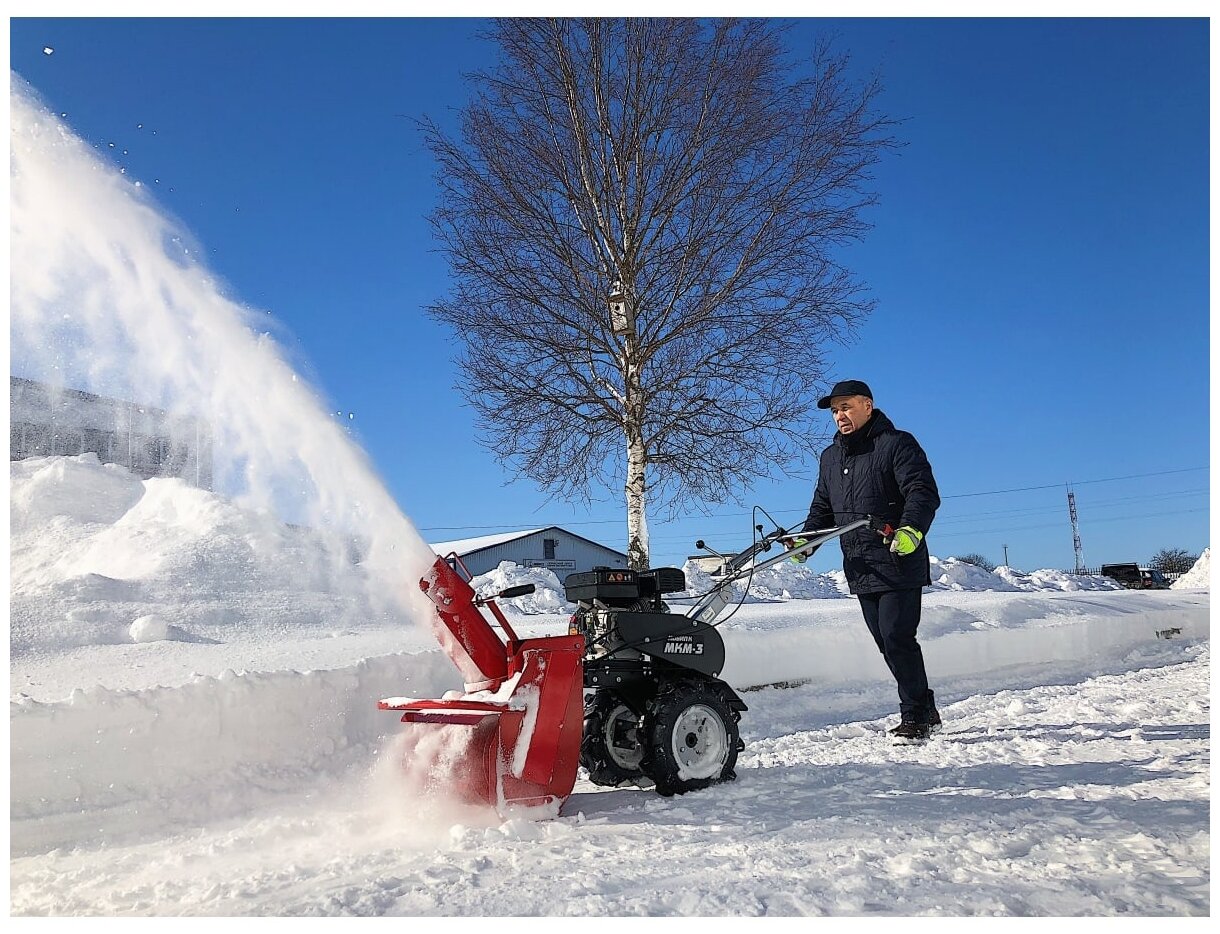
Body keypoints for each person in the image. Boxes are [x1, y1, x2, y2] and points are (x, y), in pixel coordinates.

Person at [796, 379, 942, 743]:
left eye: (845, 407)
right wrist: (806, 540)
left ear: (867, 405)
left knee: (897, 636)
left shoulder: (896, 444)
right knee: (885, 641)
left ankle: (915, 715)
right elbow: (823, 508)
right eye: (834, 411)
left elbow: (922, 492)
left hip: (898, 559)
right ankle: (924, 705)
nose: (839, 416)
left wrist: (911, 531)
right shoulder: (831, 457)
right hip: (860, 564)